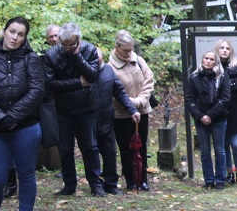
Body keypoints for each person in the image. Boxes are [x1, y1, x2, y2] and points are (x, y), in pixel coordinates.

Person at [0, 17, 44, 211]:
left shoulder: (31, 58)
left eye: (20, 34)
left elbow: (37, 91)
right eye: (12, 31)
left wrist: (13, 117)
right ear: (4, 31)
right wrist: (1, 118)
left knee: (25, 173)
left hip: (25, 125)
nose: (15, 37)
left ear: (25, 38)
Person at [43, 23, 104, 197]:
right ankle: (69, 185)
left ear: (78, 40)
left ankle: (95, 184)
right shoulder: (51, 55)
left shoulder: (89, 50)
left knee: (90, 147)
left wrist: (78, 57)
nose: (67, 48)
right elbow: (51, 84)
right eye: (64, 44)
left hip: (86, 106)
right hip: (63, 108)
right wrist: (78, 82)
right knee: (65, 148)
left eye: (71, 44)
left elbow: (92, 76)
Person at [108, 30, 155, 192]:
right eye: (125, 50)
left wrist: (140, 101)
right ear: (117, 48)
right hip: (121, 114)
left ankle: (142, 179)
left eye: (131, 49)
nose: (129, 53)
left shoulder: (139, 61)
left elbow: (149, 80)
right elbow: (115, 91)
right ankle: (131, 179)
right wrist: (130, 103)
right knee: (127, 148)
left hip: (142, 110)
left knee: (141, 146)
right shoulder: (110, 67)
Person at [92, 48, 139, 196]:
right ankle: (96, 185)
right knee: (92, 154)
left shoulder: (108, 70)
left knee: (110, 153)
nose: (97, 62)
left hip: (106, 120)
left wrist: (132, 110)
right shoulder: (83, 72)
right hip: (88, 121)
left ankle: (111, 184)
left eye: (99, 59)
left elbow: (120, 92)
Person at [185, 50, 230, 189]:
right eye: (206, 58)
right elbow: (190, 99)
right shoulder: (194, 77)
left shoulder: (222, 76)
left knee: (219, 150)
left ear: (216, 62)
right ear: (202, 60)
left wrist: (210, 115)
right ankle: (208, 179)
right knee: (205, 151)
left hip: (218, 118)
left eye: (211, 59)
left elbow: (225, 98)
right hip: (200, 119)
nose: (208, 61)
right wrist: (200, 116)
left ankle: (220, 179)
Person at [216, 40, 237, 185]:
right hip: (220, 110)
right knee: (224, 145)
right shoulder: (214, 66)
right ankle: (229, 172)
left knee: (236, 144)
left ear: (231, 51)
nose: (224, 50)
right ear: (217, 50)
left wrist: (226, 85)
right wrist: (230, 84)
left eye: (227, 48)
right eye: (222, 48)